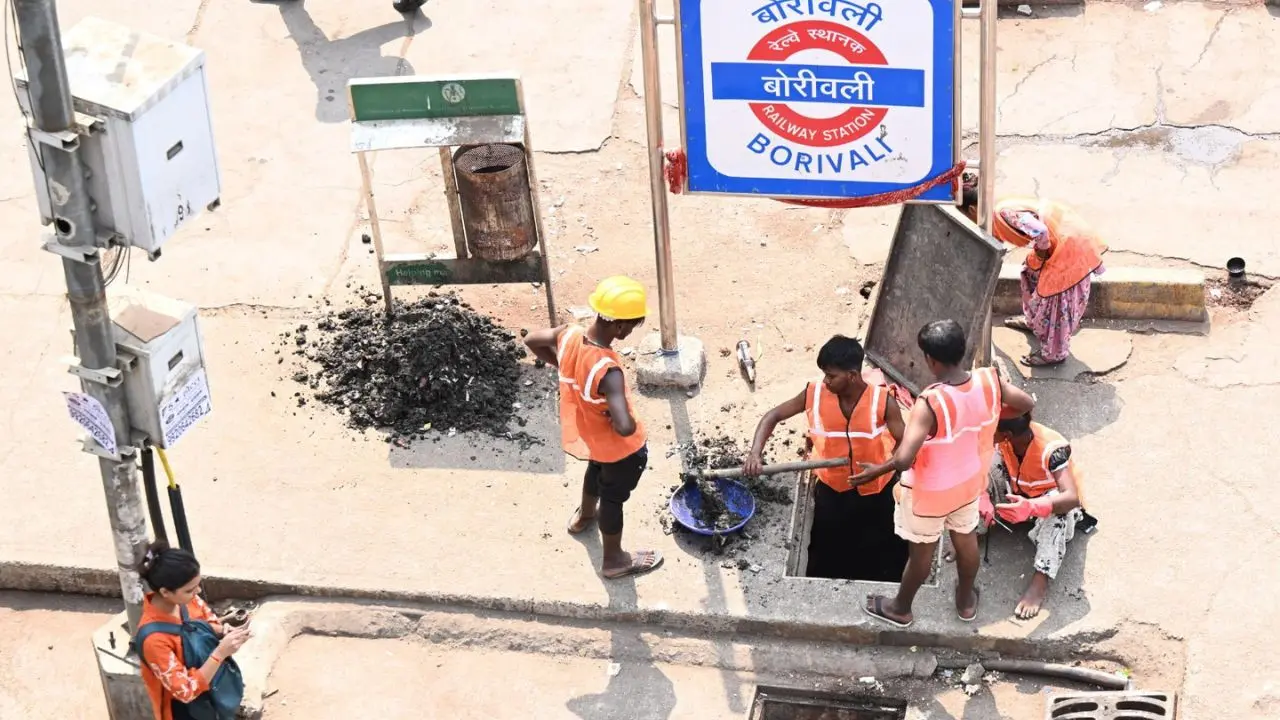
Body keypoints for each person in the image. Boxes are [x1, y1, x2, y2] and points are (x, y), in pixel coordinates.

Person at [850, 319, 1035, 627]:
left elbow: (905, 458)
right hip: (969, 484)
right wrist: (985, 420)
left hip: (930, 494)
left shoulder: (930, 402)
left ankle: (900, 609)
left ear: (930, 360)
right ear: (962, 351)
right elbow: (1026, 403)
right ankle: (965, 603)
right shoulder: (989, 382)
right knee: (966, 542)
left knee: (921, 555)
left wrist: (876, 471)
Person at [524, 276, 663, 579]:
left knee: (595, 472)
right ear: (619, 326)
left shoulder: (570, 334)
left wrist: (563, 367)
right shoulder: (608, 370)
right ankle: (614, 559)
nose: (630, 331)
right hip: (622, 450)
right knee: (613, 497)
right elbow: (624, 427)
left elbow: (532, 340)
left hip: (592, 437)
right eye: (632, 326)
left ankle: (585, 516)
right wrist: (620, 416)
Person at [741, 335, 911, 581]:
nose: (825, 380)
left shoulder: (883, 402)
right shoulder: (814, 393)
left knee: (883, 545)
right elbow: (773, 415)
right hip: (832, 488)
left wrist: (881, 469)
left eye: (831, 376)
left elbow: (905, 443)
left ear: (852, 375)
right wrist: (755, 452)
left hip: (876, 489)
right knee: (827, 548)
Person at [960, 177, 1108, 367]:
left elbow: (1040, 231)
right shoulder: (994, 205)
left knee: (1055, 300)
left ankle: (1055, 353)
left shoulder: (1002, 213)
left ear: (972, 210)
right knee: (1030, 275)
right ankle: (1035, 322)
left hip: (1068, 247)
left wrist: (1041, 251)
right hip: (1063, 237)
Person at [986, 413, 1094, 619]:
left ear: (1007, 434)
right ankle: (976, 528)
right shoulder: (1007, 440)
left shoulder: (1052, 450)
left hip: (1047, 503)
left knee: (1062, 514)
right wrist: (982, 494)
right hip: (1020, 493)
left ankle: (1041, 578)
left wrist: (1032, 507)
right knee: (983, 468)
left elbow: (1071, 498)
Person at [135, 541, 250, 720]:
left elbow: (205, 622)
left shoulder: (187, 600)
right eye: (189, 590)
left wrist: (222, 631)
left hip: (213, 694)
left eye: (198, 584)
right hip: (187, 712)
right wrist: (220, 652)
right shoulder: (154, 640)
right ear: (165, 592)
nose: (197, 592)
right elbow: (185, 691)